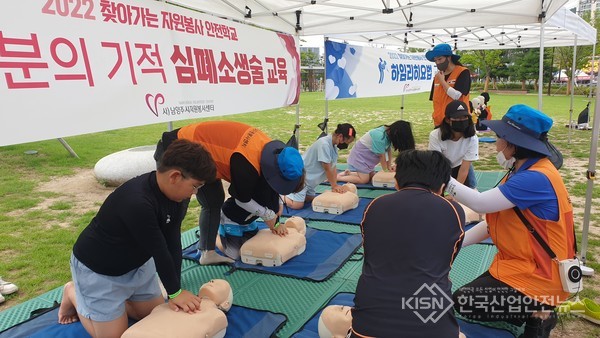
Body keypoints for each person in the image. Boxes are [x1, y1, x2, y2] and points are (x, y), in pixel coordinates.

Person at [58, 139, 216, 337]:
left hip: (137, 266)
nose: (195, 193)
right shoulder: (137, 201)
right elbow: (159, 250)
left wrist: (177, 288)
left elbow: (173, 242)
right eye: (195, 186)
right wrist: (174, 293)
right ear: (175, 176)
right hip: (100, 271)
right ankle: (73, 293)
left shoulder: (177, 197)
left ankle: (118, 302)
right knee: (116, 336)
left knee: (155, 316)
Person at [445, 104, 576, 338]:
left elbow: (481, 204)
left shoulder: (535, 177)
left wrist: (444, 179)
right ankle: (535, 306)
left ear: (512, 143)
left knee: (465, 302)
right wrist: (455, 243)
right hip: (522, 266)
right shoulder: (522, 170)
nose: (497, 143)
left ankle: (541, 310)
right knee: (465, 299)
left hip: (542, 276)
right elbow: (494, 221)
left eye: (499, 137)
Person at [154, 121, 305, 265]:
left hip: (204, 157)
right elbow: (242, 198)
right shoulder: (247, 165)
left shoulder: (272, 152)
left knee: (214, 201)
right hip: (177, 150)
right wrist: (268, 215)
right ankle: (164, 270)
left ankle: (207, 251)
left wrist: (276, 207)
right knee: (174, 214)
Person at [351, 150, 465, 337]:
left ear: (396, 182)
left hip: (368, 326)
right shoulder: (453, 210)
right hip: (433, 327)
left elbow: (371, 252)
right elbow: (447, 259)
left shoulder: (375, 206)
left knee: (332, 316)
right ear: (443, 186)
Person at [122, 279, 233, 338]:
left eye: (218, 284)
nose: (211, 281)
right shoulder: (177, 302)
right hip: (135, 332)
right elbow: (157, 312)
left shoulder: (216, 315)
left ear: (226, 304)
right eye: (211, 280)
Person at [284, 123, 356, 209]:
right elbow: (327, 168)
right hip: (301, 179)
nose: (346, 145)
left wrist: (335, 185)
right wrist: (334, 186)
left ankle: (294, 194)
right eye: (346, 142)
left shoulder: (333, 146)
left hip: (310, 181)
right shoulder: (324, 144)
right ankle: (280, 195)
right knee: (297, 206)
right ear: (340, 136)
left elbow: (333, 167)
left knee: (312, 199)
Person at [336, 120, 415, 184]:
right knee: (364, 180)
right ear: (397, 133)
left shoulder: (388, 133)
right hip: (359, 158)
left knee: (372, 177)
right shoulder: (380, 136)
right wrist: (386, 170)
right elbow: (382, 156)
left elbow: (388, 150)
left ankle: (348, 173)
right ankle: (338, 178)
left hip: (366, 160)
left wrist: (389, 166)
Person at [428, 100, 479, 188]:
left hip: (460, 166)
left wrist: (454, 193)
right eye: (457, 118)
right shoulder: (435, 135)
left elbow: (464, 169)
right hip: (440, 167)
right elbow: (437, 166)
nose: (461, 120)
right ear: (448, 120)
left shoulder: (472, 138)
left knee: (469, 190)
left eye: (464, 117)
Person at [426, 43, 471, 128]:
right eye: (435, 60)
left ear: (449, 57)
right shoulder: (437, 76)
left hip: (458, 121)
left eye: (440, 59)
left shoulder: (463, 72)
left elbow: (456, 95)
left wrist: (442, 81)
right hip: (440, 123)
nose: (437, 63)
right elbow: (435, 100)